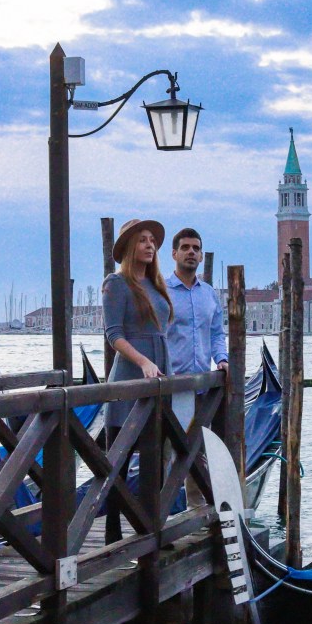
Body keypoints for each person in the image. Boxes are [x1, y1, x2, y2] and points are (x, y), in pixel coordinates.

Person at [102, 218, 173, 541]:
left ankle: (150, 529)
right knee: (120, 458)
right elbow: (113, 334)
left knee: (155, 457)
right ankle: (112, 532)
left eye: (152, 241)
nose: (150, 245)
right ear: (131, 247)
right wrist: (144, 361)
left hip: (160, 375)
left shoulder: (157, 286)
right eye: (142, 240)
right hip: (130, 377)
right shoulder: (117, 284)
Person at [166, 227, 228, 505]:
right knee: (166, 451)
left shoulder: (209, 294)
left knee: (196, 450)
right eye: (186, 247)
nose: (191, 252)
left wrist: (222, 360)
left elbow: (216, 333)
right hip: (169, 385)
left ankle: (197, 510)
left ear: (202, 256)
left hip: (202, 386)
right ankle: (157, 517)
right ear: (174, 253)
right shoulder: (161, 292)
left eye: (196, 248)